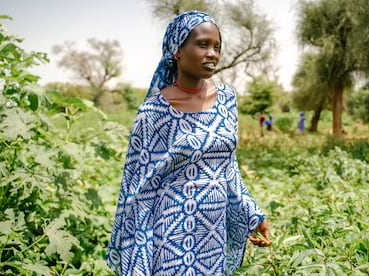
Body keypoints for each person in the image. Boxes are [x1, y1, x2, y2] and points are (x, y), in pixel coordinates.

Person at [106, 10, 272, 275]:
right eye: (203, 44)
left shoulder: (227, 100)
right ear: (177, 50)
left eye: (217, 47)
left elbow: (228, 168)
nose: (212, 54)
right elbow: (140, 189)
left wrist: (253, 214)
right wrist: (138, 255)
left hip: (213, 235)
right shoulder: (153, 113)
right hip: (171, 235)